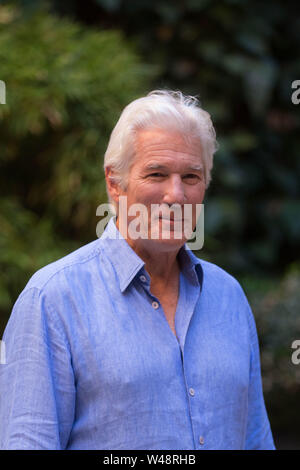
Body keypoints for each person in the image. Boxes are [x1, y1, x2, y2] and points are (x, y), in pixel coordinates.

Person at [0, 90, 275, 450]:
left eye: (191, 176)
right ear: (115, 183)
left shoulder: (229, 298)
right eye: (157, 173)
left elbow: (256, 441)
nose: (175, 195)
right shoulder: (52, 299)